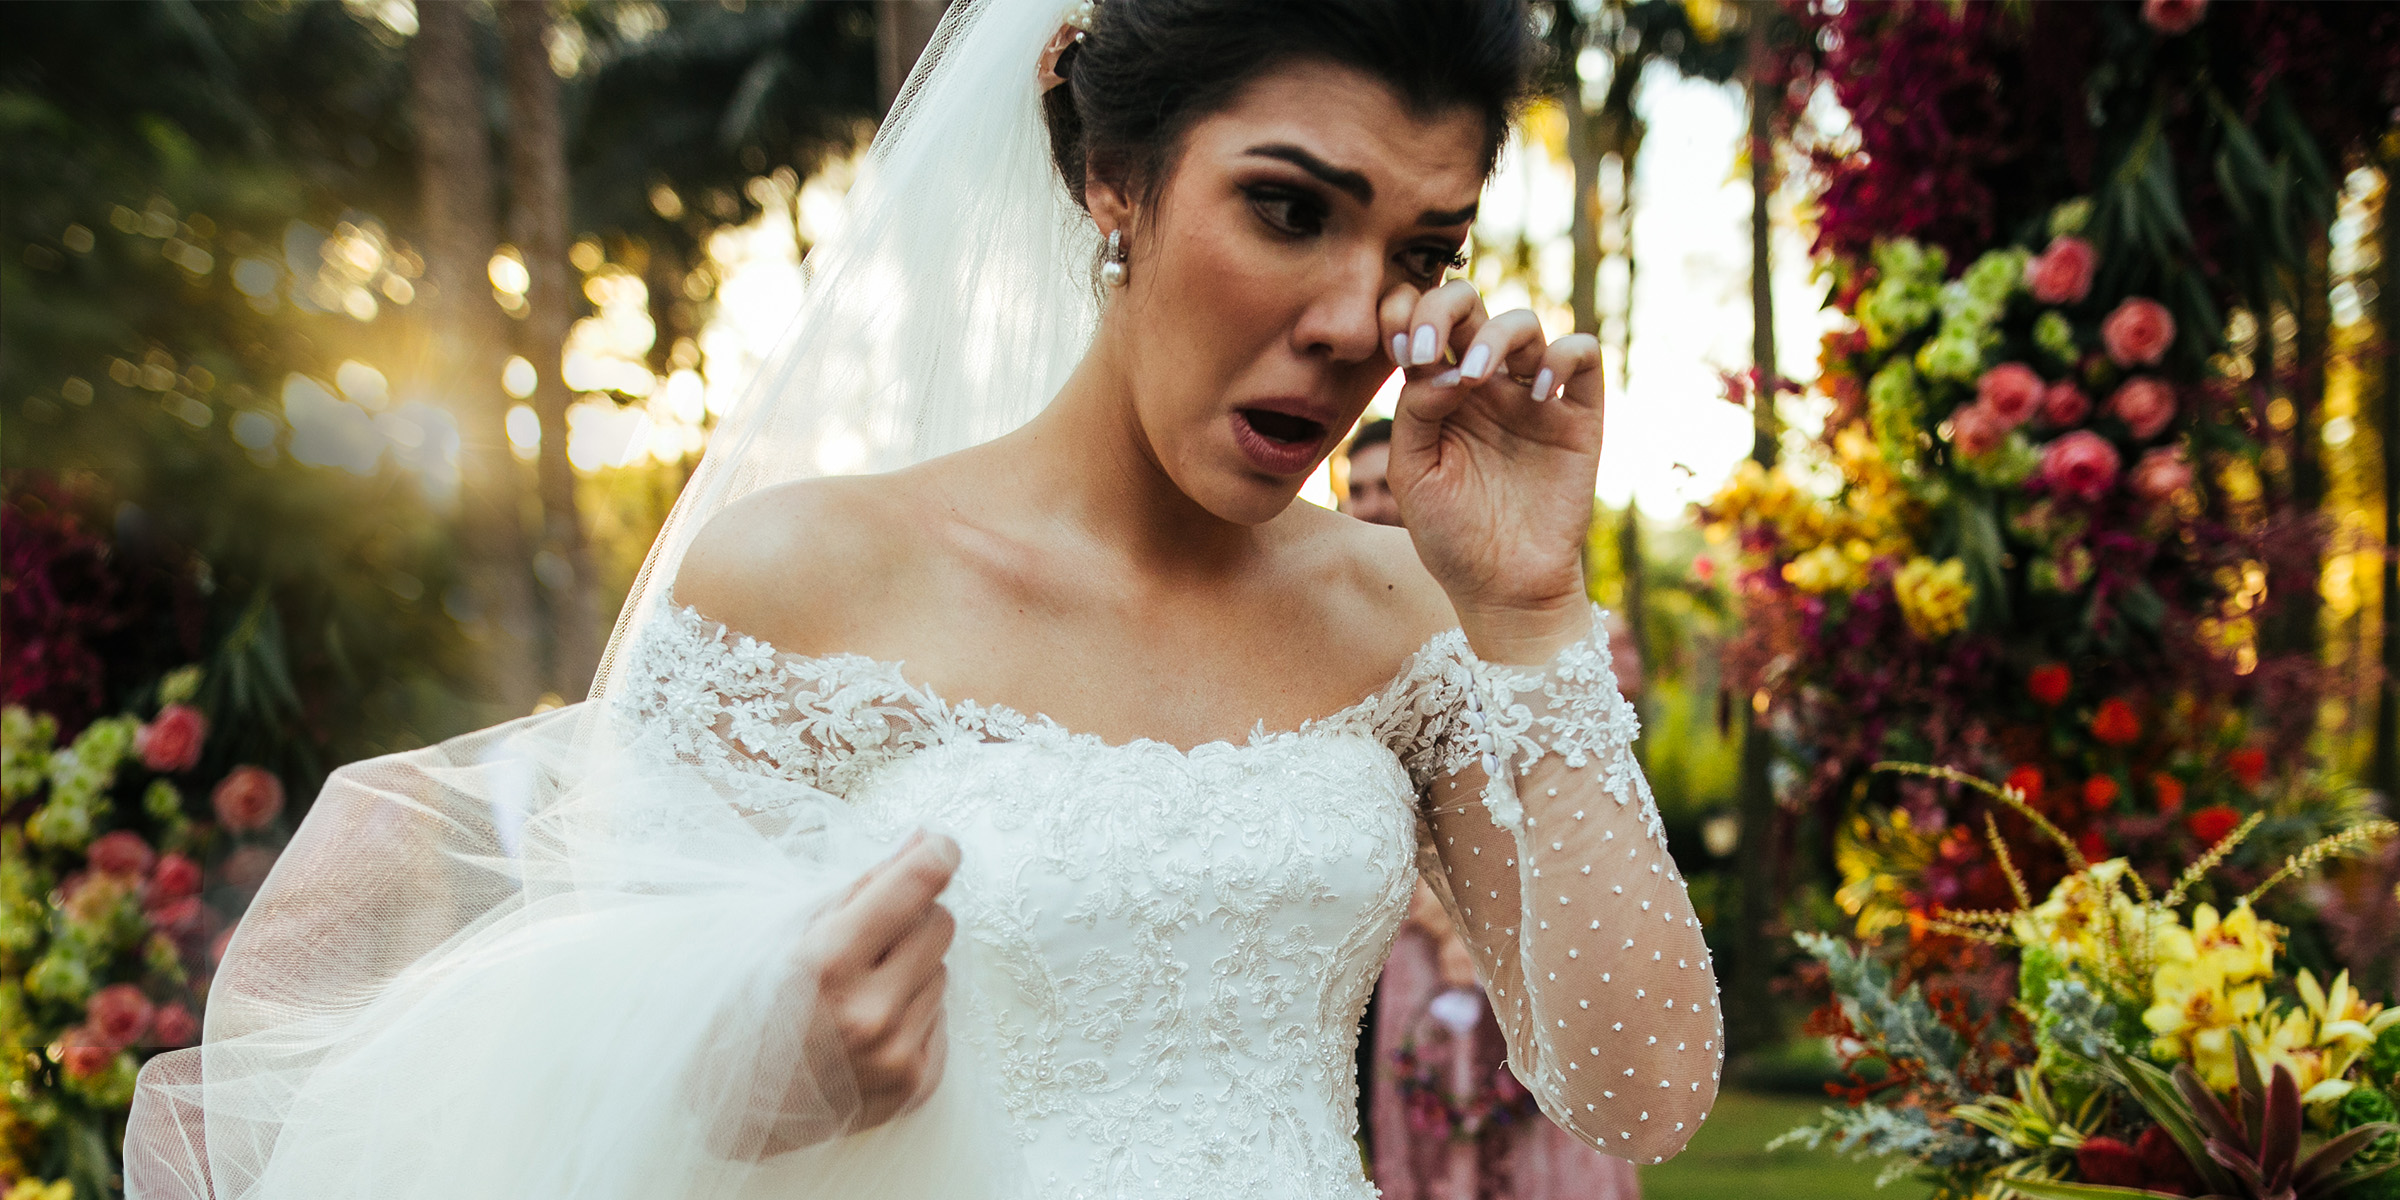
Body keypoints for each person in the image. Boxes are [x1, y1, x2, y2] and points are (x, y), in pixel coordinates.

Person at [124, 2, 1719, 1197]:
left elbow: (1641, 1098)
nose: (1356, 321)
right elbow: (575, 1084)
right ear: (1113, 175)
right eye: (1290, 210)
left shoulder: (1414, 616)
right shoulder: (796, 584)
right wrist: (733, 1071)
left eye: (1420, 251)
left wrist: (1525, 616)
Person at [1342, 419, 1647, 1200]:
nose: (1376, 505)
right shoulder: (1330, 632)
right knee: (1430, 1132)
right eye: (1360, 489)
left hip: (1521, 918)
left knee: (1546, 1135)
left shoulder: (1497, 608)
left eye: (1390, 485)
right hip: (1402, 938)